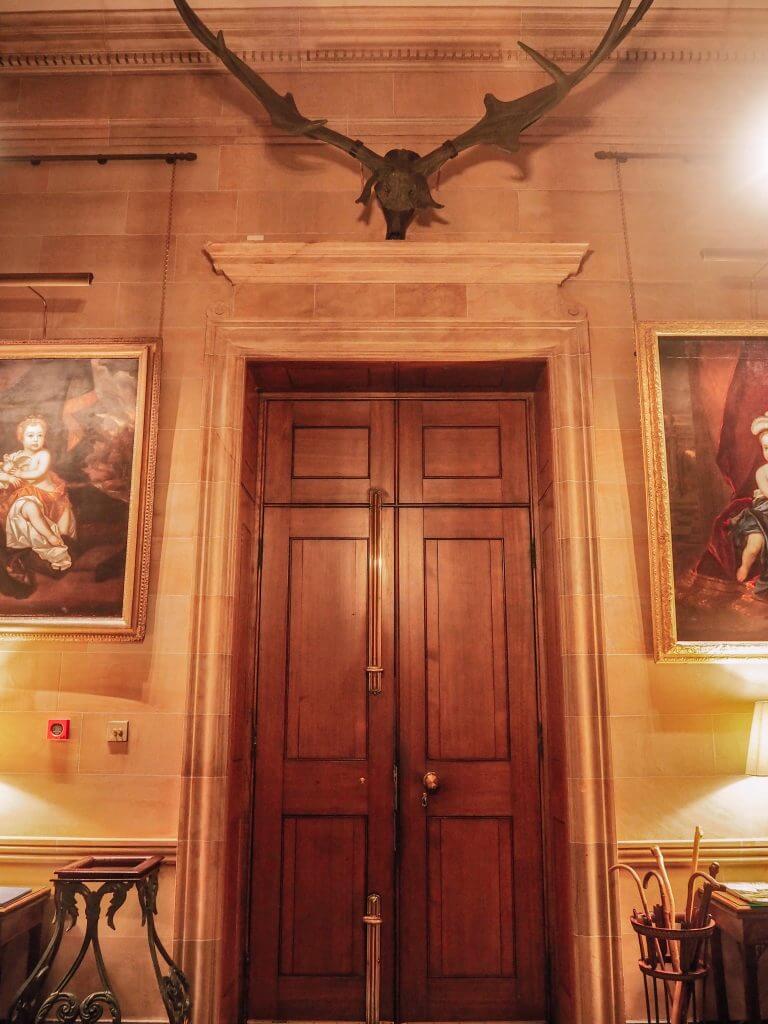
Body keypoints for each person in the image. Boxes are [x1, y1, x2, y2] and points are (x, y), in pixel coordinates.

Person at [0, 415, 75, 572]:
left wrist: (18, 472)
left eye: (39, 435)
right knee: (27, 507)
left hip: (49, 497)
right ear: (21, 438)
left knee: (62, 530)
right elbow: (3, 471)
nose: (35, 439)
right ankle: (48, 536)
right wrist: (7, 474)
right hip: (27, 496)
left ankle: (55, 550)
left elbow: (37, 473)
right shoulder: (15, 456)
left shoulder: (43, 455)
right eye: (31, 435)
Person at [730, 412, 768, 589]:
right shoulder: (762, 471)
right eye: (766, 448)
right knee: (755, 544)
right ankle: (745, 566)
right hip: (762, 514)